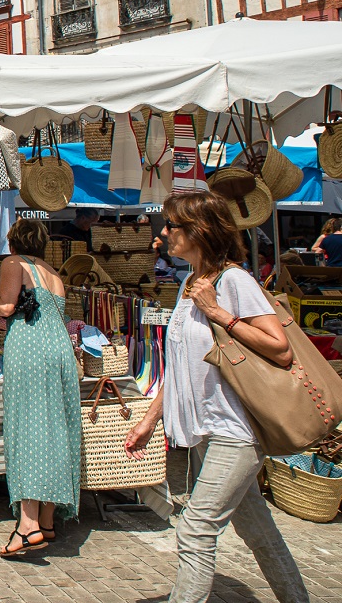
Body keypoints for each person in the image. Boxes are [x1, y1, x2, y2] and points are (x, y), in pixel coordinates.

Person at [124, 192, 308, 603]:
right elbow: (185, 365)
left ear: (200, 231)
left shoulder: (234, 282)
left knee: (195, 530)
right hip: (205, 432)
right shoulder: (190, 282)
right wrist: (151, 419)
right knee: (258, 531)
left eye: (173, 225)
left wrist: (219, 312)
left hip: (235, 431)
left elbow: (280, 347)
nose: (165, 232)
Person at [0, 217, 80, 557]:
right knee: (54, 429)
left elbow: (6, 306)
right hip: (59, 349)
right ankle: (47, 520)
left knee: (27, 430)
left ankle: (27, 526)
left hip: (31, 350)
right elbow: (28, 310)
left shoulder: (14, 262)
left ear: (14, 241)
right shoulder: (53, 274)